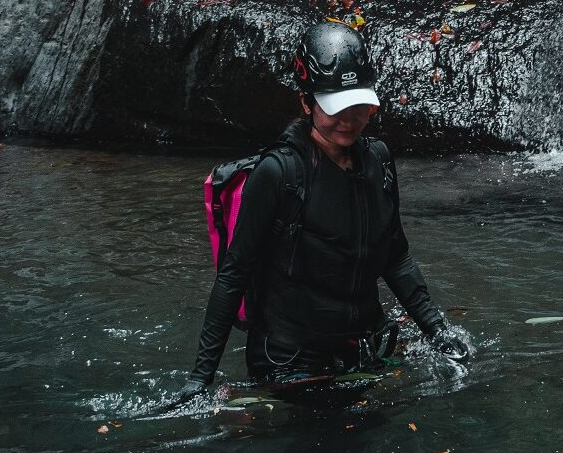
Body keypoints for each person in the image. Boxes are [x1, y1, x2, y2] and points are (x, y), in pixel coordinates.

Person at [176, 21, 470, 400]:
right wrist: (199, 380)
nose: (349, 120)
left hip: (361, 350)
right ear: (306, 102)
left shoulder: (378, 160)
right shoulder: (278, 173)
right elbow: (234, 277)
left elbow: (395, 257)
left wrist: (437, 328)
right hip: (290, 362)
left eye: (357, 107)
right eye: (336, 109)